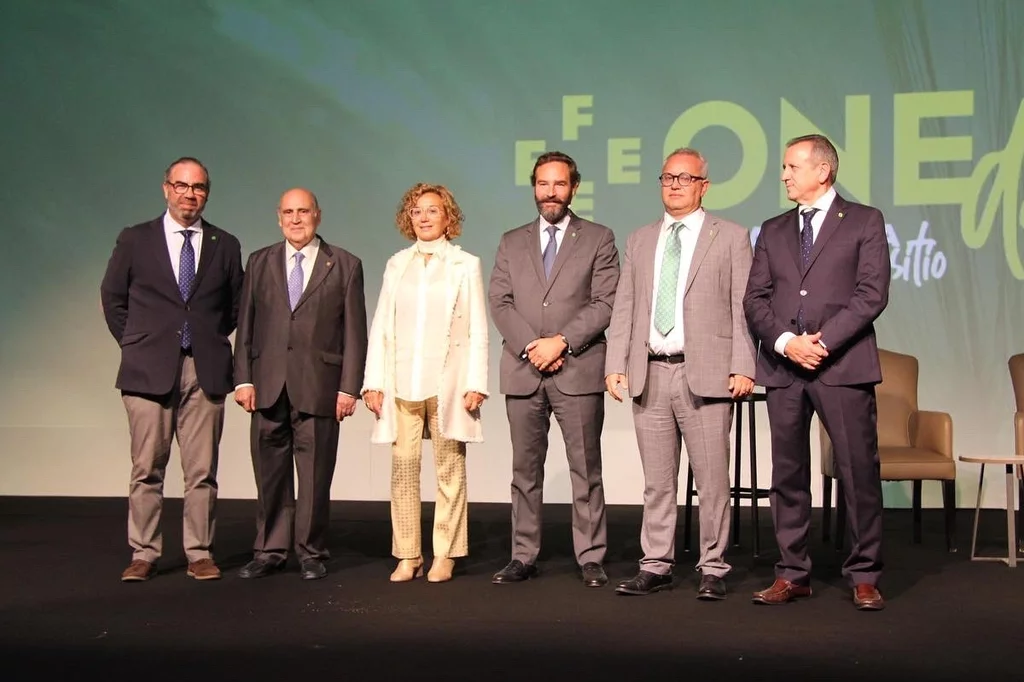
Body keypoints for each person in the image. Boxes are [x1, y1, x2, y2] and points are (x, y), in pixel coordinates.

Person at [743, 134, 890, 611]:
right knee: (787, 474)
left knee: (857, 470)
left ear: (823, 170)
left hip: (842, 366)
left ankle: (864, 574)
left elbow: (871, 294)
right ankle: (792, 572)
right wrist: (787, 343)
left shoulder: (864, 221)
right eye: (784, 168)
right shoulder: (773, 228)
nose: (783, 175)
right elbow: (755, 298)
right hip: (785, 368)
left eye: (791, 166)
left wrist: (821, 344)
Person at [605, 148, 756, 599]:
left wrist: (744, 365)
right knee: (657, 482)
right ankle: (656, 564)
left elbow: (743, 308)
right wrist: (615, 364)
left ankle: (713, 567)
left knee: (712, 482)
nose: (674, 185)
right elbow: (625, 307)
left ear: (703, 186)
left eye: (685, 178)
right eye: (667, 177)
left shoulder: (730, 236)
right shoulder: (640, 239)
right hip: (651, 373)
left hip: (705, 372)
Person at [100, 156, 244, 582]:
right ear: (166, 189)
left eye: (198, 187)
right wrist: (139, 343)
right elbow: (113, 298)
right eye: (181, 185)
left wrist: (206, 341)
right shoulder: (135, 239)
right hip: (147, 372)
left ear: (207, 194)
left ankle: (199, 552)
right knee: (147, 468)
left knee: (202, 472)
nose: (189, 194)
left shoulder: (225, 244)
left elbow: (233, 306)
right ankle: (144, 553)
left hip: (205, 370)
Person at [488, 151, 619, 588]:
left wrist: (560, 342)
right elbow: (500, 302)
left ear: (574, 187)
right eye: (543, 184)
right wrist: (531, 346)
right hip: (524, 372)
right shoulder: (511, 241)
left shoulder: (598, 238)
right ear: (534, 188)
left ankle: (591, 556)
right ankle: (523, 555)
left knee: (586, 469)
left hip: (577, 369)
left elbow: (605, 302)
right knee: (524, 471)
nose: (551, 193)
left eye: (559, 184)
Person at [233, 188, 368, 581]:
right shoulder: (259, 262)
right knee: (269, 474)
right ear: (278, 217)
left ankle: (310, 551)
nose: (296, 219)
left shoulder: (344, 264)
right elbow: (247, 325)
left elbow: (355, 334)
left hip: (319, 387)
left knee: (314, 476)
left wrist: (349, 388)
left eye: (303, 211)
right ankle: (270, 550)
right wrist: (243, 378)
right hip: (267, 385)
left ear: (318, 216)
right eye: (288, 212)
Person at [362, 183, 489, 584]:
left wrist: (476, 381)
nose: (424, 216)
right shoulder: (397, 263)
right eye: (417, 210)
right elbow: (381, 324)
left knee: (449, 469)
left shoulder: (465, 264)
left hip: (446, 382)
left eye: (433, 210)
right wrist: (373, 380)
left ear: (448, 217)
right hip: (402, 381)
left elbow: (477, 329)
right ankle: (408, 553)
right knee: (403, 468)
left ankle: (446, 553)